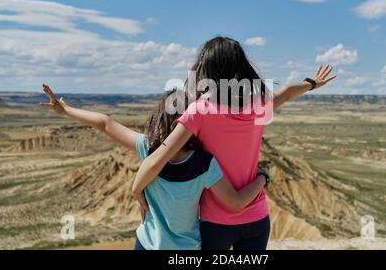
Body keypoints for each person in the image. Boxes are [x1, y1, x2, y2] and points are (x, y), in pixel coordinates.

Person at [131, 37, 336, 250]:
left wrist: (137, 189)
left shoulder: (200, 111)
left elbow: (159, 158)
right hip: (257, 219)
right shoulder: (259, 105)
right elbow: (289, 91)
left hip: (216, 224)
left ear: (206, 69)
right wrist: (311, 83)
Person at [40, 85, 270, 250]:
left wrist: (65, 110)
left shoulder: (147, 148)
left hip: (146, 243)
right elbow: (237, 202)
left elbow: (104, 122)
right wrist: (262, 178)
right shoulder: (205, 162)